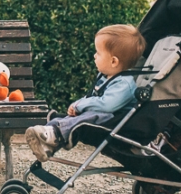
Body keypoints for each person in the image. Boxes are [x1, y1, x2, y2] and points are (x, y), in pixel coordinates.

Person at [26, 24, 146, 162]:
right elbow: (93, 97)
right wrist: (80, 104)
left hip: (113, 122)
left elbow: (106, 105)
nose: (94, 56)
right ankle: (47, 141)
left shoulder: (124, 84)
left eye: (98, 53)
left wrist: (80, 105)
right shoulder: (106, 76)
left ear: (113, 61)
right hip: (101, 116)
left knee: (88, 117)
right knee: (72, 118)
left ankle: (54, 134)